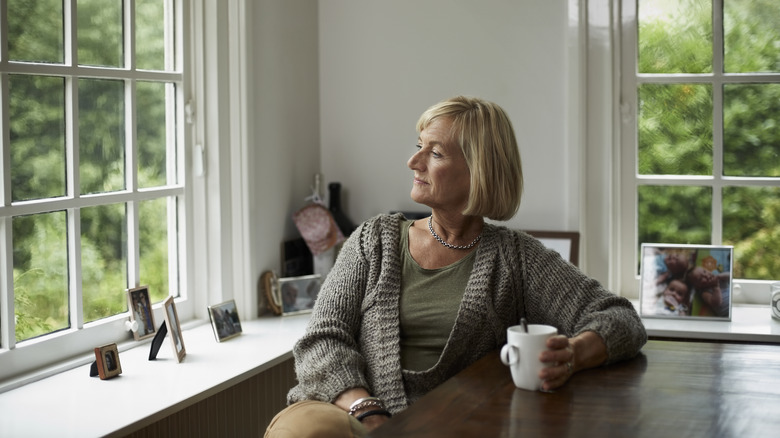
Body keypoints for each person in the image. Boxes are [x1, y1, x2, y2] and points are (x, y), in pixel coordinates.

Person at [265, 96, 647, 437]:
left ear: (479, 170)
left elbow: (619, 317)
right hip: (350, 416)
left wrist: (574, 355)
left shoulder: (516, 257)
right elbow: (321, 340)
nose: (413, 161)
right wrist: (369, 412)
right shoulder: (374, 240)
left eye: (435, 153)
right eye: (419, 147)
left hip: (454, 424)